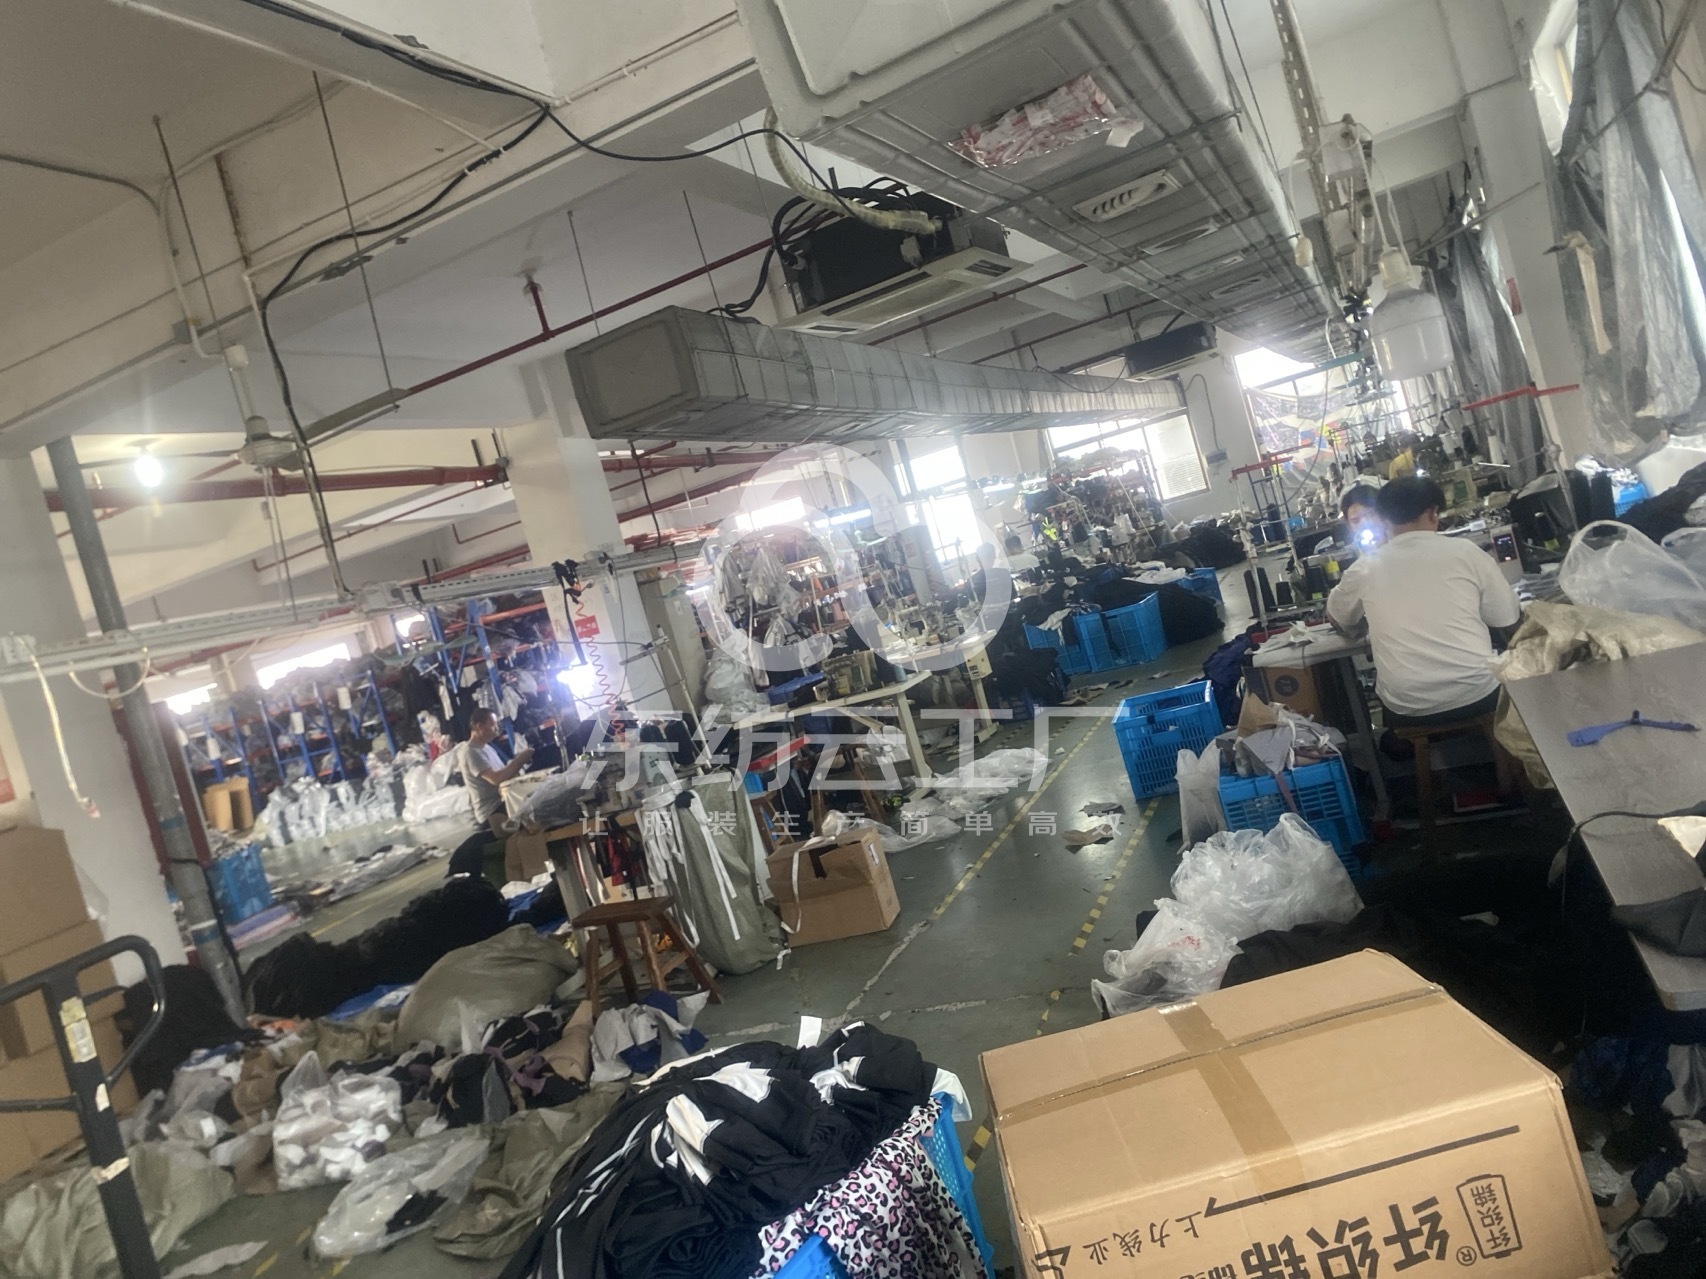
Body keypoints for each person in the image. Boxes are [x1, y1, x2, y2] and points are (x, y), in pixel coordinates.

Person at [1326, 476, 1522, 725]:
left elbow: (1337, 618)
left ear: (1383, 519)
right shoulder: (1467, 552)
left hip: (1407, 705)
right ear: (1433, 513)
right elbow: (1506, 617)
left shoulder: (1363, 568)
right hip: (1477, 693)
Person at [460, 708, 532, 837]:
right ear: (480, 726)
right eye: (493, 725)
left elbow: (504, 774)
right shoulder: (471, 752)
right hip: (492, 811)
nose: (497, 729)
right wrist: (520, 760)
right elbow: (496, 779)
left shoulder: (487, 748)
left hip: (502, 802)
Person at [1339, 483, 1386, 551]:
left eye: (1371, 514)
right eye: (1355, 521)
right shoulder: (1356, 553)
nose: (1365, 524)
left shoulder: (1400, 543)